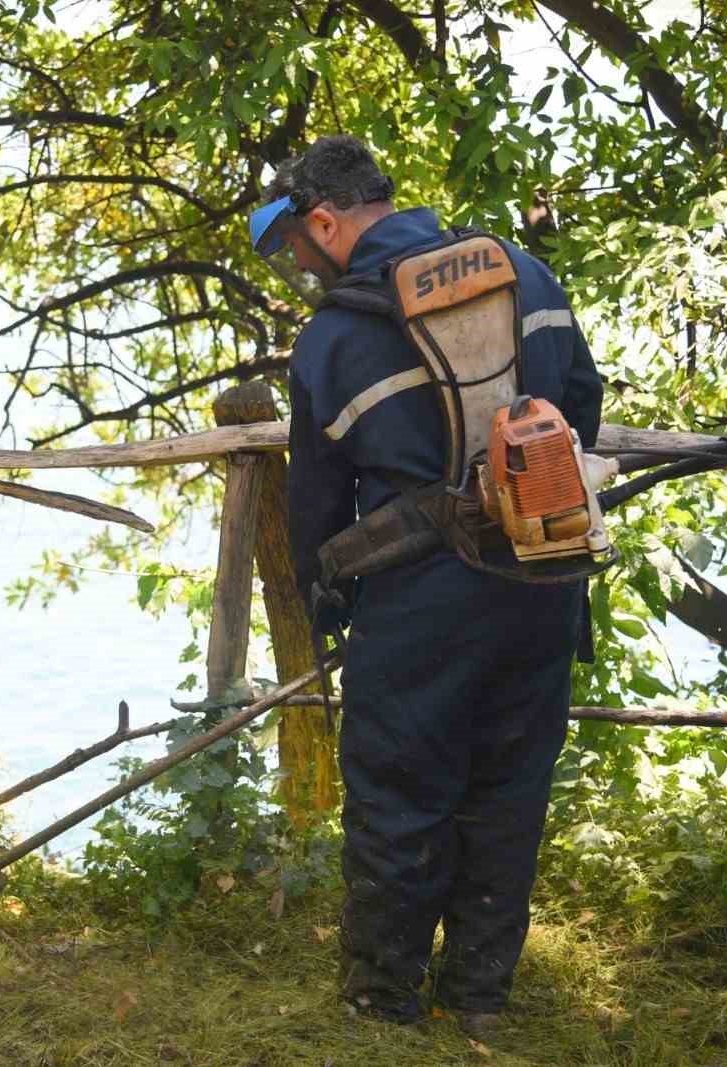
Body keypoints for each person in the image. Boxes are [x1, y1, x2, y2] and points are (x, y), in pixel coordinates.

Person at [248, 134, 604, 1034]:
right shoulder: (526, 274)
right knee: (510, 791)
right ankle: (478, 1001)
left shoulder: (334, 338)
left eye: (297, 247)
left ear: (325, 222)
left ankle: (382, 1001)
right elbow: (584, 410)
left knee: (400, 796)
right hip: (542, 579)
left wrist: (327, 602)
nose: (301, 265)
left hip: (417, 604)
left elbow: (318, 504)